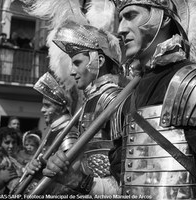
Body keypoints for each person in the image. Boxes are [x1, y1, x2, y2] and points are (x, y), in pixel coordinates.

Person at [106, 0, 196, 198]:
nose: (120, 29)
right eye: (120, 19)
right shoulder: (128, 97)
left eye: (131, 16)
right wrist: (77, 179)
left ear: (162, 18)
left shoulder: (190, 84)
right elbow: (121, 181)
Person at [35, 20, 124, 195]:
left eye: (77, 63)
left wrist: (77, 180)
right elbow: (81, 164)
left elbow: (124, 178)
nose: (72, 72)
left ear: (98, 61)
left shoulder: (113, 99)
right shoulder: (90, 102)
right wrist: (48, 171)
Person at [18, 72, 79, 194]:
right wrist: (33, 167)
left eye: (47, 106)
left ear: (61, 108)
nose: (42, 110)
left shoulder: (68, 134)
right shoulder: (54, 130)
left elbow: (68, 180)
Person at [0, 127, 24, 194]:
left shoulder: (14, 159)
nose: (11, 146)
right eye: (7, 142)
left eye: (14, 142)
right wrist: (1, 179)